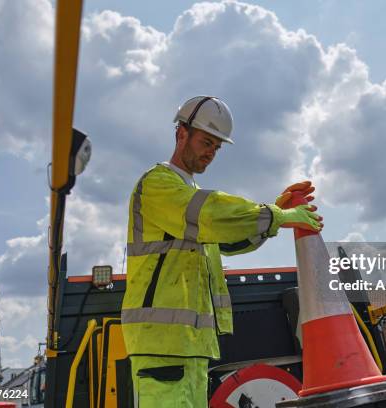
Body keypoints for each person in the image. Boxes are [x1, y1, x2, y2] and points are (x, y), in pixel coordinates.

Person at [121, 96, 323, 407]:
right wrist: (276, 216)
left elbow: (230, 241)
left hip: (190, 346)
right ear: (181, 134)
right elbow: (213, 213)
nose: (211, 152)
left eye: (217, 147)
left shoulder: (187, 203)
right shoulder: (158, 184)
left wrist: (274, 211)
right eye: (206, 142)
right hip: (163, 344)